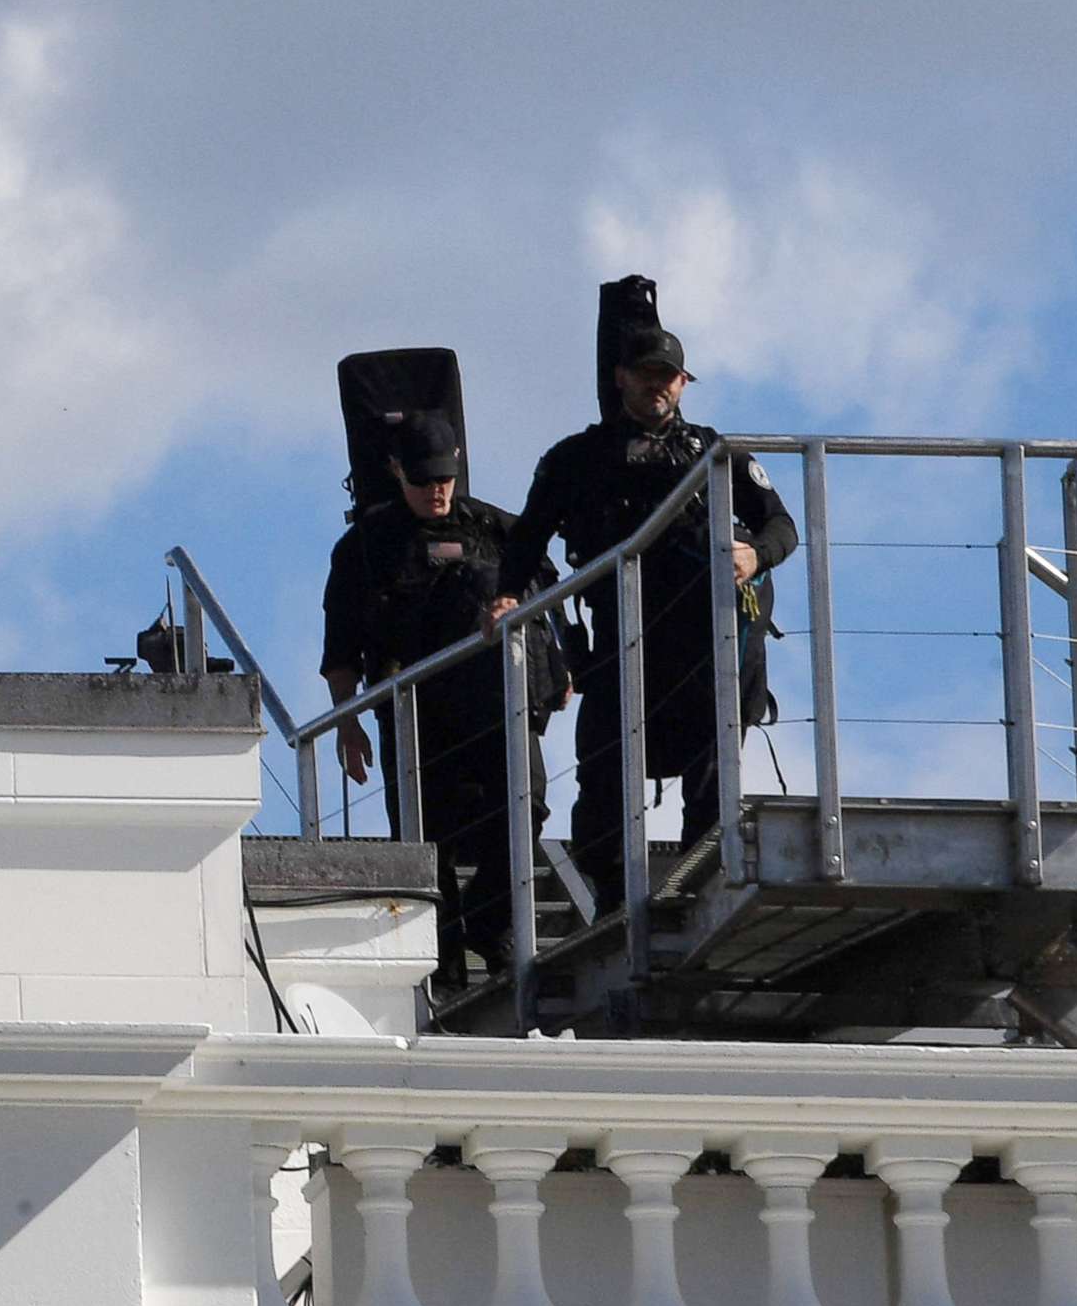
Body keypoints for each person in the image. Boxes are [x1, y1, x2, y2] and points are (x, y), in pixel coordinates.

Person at [487, 327, 796, 917]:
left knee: (712, 778)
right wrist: (505, 595)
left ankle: (700, 885)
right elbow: (526, 540)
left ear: (684, 383)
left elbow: (782, 525)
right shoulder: (575, 459)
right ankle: (611, 902)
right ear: (621, 377)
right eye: (646, 373)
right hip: (620, 645)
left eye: (668, 375)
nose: (658, 385)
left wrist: (755, 554)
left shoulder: (717, 454)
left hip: (706, 647)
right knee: (602, 778)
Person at [322, 411, 564, 982]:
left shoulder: (493, 528)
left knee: (525, 806)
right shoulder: (363, 548)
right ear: (396, 471)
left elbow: (544, 592)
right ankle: (444, 972)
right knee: (426, 847)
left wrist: (557, 664)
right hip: (414, 713)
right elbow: (341, 646)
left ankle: (489, 919)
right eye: (424, 480)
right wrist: (346, 722)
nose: (437, 492)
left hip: (493, 703)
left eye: (445, 479)